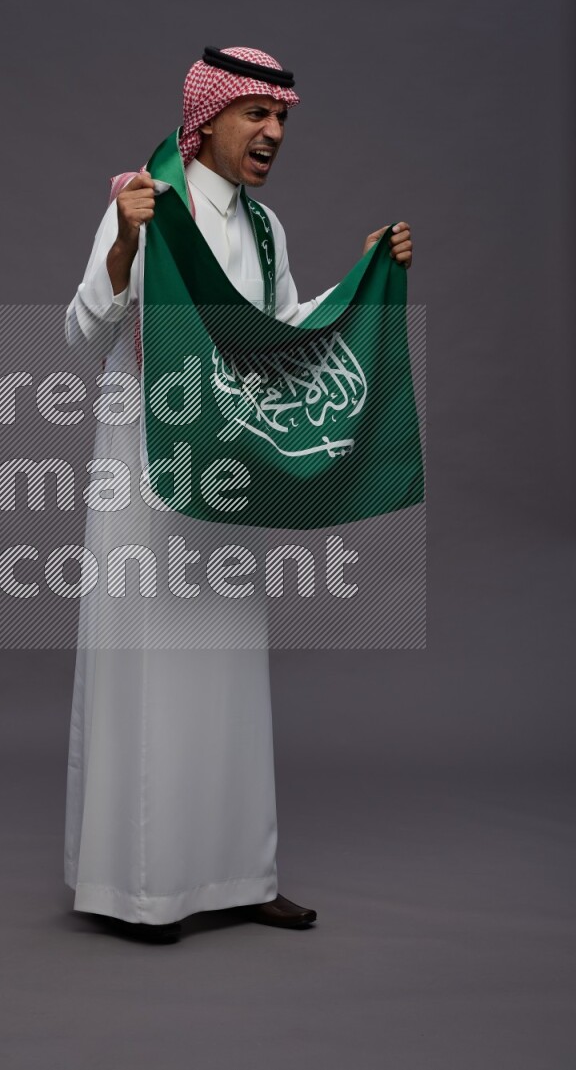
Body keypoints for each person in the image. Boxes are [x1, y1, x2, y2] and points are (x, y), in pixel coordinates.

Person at [63, 46, 413, 943]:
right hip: (148, 465)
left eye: (283, 118)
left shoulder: (266, 230)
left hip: (228, 468)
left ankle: (239, 874)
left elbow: (283, 336)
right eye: (257, 114)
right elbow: (78, 332)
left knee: (226, 673)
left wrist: (363, 276)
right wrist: (127, 239)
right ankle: (144, 890)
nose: (274, 133)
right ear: (207, 117)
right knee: (154, 673)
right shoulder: (145, 198)